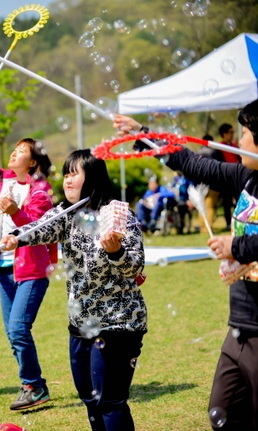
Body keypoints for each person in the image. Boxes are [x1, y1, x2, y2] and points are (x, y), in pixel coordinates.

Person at [115, 101, 258, 431]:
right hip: (241, 323)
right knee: (224, 411)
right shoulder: (246, 176)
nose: (238, 142)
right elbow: (193, 165)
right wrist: (143, 135)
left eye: (246, 134)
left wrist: (234, 245)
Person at [1, 149, 147, 431]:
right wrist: (16, 238)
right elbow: (41, 227)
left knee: (110, 401)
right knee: (90, 399)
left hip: (118, 323)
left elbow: (135, 267)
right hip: (81, 324)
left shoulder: (116, 214)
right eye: (65, 174)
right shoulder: (68, 214)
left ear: (92, 177)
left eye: (74, 174)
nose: (67, 181)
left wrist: (115, 251)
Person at [0, 105, 55, 410]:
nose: (14, 154)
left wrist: (15, 211)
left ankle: (32, 386)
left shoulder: (40, 189)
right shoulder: (2, 180)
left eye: (21, 151)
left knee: (18, 328)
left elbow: (37, 226)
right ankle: (36, 386)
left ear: (32, 162)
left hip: (32, 269)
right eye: (14, 149)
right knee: (11, 331)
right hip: (4, 269)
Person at [219, 124, 241, 229]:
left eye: (233, 132)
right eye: (230, 132)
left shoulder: (234, 147)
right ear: (224, 134)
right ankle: (228, 223)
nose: (232, 135)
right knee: (227, 202)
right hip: (225, 178)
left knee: (239, 200)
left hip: (237, 177)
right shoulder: (219, 147)